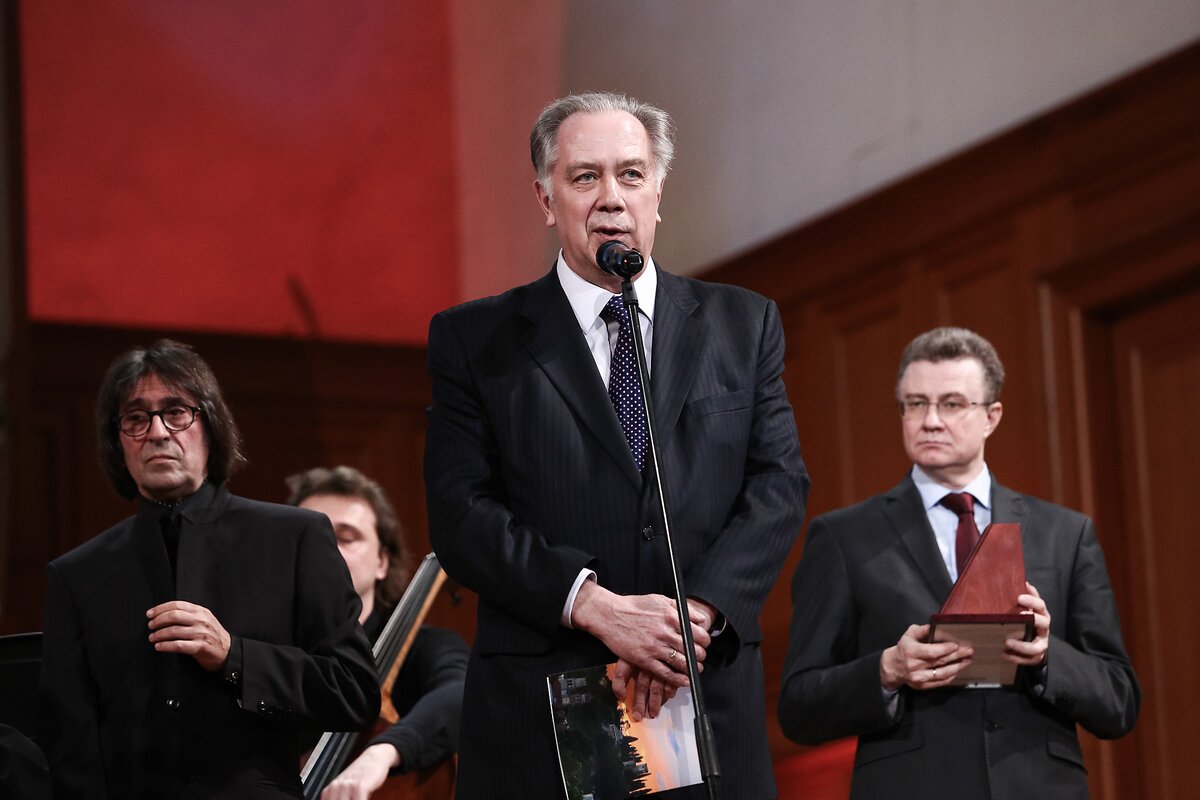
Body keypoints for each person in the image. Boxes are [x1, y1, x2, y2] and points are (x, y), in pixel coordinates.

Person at [423, 91, 809, 799]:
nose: (611, 197)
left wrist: (689, 622)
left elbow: (778, 485)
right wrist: (597, 608)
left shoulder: (743, 324)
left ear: (658, 192)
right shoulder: (475, 341)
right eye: (585, 177)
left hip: (702, 688)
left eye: (631, 174)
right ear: (546, 199)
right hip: (542, 702)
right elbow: (460, 513)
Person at [777, 327, 1140, 799]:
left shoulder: (1065, 534)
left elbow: (1119, 700)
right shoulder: (844, 536)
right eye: (915, 404)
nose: (930, 421)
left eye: (951, 404)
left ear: (991, 416)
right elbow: (799, 708)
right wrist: (887, 669)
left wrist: (1046, 655)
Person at [39, 339, 379, 798]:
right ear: (118, 444)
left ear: (211, 426)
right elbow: (71, 750)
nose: (158, 432)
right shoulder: (77, 575)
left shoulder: (295, 537)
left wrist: (233, 656)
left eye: (176, 412)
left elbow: (354, 692)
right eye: (136, 418)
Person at [286, 466, 467, 799]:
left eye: (346, 537)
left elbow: (462, 693)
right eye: (310, 536)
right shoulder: (263, 650)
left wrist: (380, 754)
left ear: (382, 561)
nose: (326, 549)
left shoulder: (424, 648)